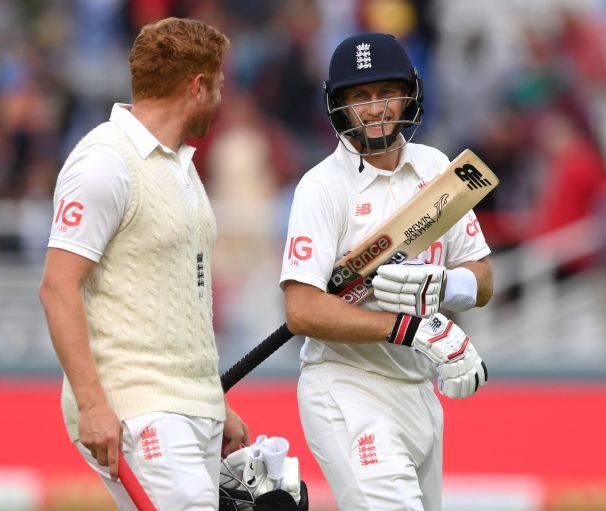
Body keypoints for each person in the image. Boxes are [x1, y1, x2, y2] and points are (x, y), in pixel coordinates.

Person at [39, 17, 249, 510]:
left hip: (187, 404)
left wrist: (214, 404)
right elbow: (57, 288)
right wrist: (92, 403)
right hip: (138, 408)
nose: (221, 99)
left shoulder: (180, 165)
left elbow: (180, 298)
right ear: (198, 86)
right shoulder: (105, 162)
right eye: (219, 85)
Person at [280, 33, 494, 510]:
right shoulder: (321, 188)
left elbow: (483, 278)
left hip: (420, 392)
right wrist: (410, 330)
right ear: (338, 106)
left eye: (385, 93)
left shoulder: (438, 169)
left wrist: (448, 286)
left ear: (409, 95)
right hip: (348, 385)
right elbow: (301, 310)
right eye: (359, 97)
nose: (375, 109)